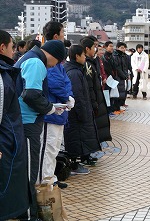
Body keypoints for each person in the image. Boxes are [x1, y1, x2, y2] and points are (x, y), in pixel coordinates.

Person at [14, 40, 66, 221]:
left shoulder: (29, 58)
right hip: (27, 123)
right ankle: (29, 214)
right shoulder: (37, 62)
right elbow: (31, 94)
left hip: (23, 120)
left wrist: (50, 106)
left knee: (26, 169)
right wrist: (50, 108)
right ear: (54, 56)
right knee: (30, 171)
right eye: (58, 62)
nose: (55, 66)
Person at [39, 21, 74, 189]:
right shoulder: (49, 60)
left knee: (53, 148)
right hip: (51, 112)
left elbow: (66, 82)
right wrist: (67, 95)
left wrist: (68, 94)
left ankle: (50, 177)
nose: (64, 36)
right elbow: (56, 84)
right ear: (55, 36)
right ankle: (45, 181)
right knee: (48, 148)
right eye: (62, 33)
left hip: (59, 112)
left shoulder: (58, 60)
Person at [0, 30, 29, 220]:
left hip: (10, 140)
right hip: (6, 142)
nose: (13, 52)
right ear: (2, 47)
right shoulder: (1, 76)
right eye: (12, 47)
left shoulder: (6, 72)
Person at [64, 45, 101, 174]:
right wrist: (82, 113)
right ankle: (73, 164)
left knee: (81, 136)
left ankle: (82, 158)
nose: (85, 57)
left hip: (80, 110)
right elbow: (77, 95)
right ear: (77, 56)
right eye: (83, 55)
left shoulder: (77, 69)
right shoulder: (74, 73)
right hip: (77, 113)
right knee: (76, 137)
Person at [81, 38, 111, 160]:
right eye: (94, 47)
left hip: (97, 96)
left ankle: (93, 149)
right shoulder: (87, 64)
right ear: (87, 49)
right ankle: (87, 153)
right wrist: (93, 102)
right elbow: (89, 86)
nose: (96, 49)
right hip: (92, 100)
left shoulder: (94, 61)